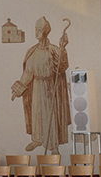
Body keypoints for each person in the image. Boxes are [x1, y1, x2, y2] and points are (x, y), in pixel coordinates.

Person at [11, 16, 71, 153]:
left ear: (46, 31)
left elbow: (62, 67)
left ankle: (53, 146)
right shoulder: (32, 51)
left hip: (50, 88)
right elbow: (28, 73)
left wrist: (63, 48)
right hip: (36, 88)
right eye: (36, 29)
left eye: (39, 30)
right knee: (37, 115)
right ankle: (37, 140)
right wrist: (18, 90)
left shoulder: (54, 50)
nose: (37, 32)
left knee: (49, 115)